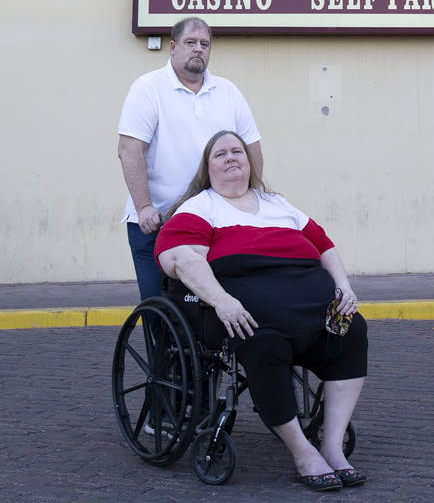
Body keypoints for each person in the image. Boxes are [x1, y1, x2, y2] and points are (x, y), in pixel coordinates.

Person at [156, 130, 368, 492]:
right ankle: (303, 452)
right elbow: (178, 258)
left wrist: (344, 288)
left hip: (312, 314)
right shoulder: (201, 207)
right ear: (208, 170)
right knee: (261, 344)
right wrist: (222, 300)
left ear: (250, 161)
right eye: (220, 154)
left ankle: (332, 447)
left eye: (237, 151)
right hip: (250, 320)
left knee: (353, 329)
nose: (231, 157)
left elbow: (324, 245)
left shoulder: (278, 205)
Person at [118, 17, 262, 300]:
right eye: (190, 43)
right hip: (157, 224)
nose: (198, 49)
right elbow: (129, 150)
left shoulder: (228, 92)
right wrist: (144, 206)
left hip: (214, 224)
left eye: (204, 44)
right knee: (161, 312)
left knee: (214, 310)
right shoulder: (148, 88)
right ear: (172, 47)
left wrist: (250, 200)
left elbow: (252, 150)